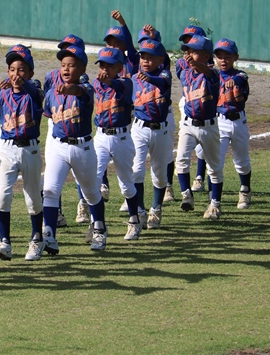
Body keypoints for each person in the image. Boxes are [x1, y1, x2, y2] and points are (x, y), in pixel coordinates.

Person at [43, 45, 107, 251]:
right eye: (63, 65)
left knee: (90, 193)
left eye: (72, 66)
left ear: (82, 69)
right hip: (59, 147)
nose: (66, 69)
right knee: (50, 191)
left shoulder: (87, 88)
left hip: (83, 148)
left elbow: (77, 91)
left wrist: (69, 89)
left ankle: (99, 228)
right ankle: (49, 236)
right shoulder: (52, 92)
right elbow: (48, 116)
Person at [0, 44, 45, 261]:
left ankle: (37, 238)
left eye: (22, 69)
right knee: (3, 196)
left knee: (33, 197)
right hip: (7, 147)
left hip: (30, 148)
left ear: (30, 73)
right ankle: (4, 241)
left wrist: (24, 83)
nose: (16, 74)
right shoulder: (1, 93)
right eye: (12, 69)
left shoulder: (35, 90)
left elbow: (35, 93)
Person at [92, 46, 142, 240]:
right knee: (94, 181)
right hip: (101, 137)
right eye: (102, 65)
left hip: (122, 138)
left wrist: (110, 82)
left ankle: (134, 221)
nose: (105, 69)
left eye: (110, 66)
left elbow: (121, 88)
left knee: (126, 184)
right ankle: (97, 225)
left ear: (120, 67)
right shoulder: (96, 84)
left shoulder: (126, 82)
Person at [174, 35, 224, 220]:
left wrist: (197, 63)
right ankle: (187, 195)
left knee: (214, 167)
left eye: (194, 51)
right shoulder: (184, 71)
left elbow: (208, 72)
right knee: (181, 160)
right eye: (188, 50)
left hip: (209, 126)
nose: (189, 54)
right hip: (188, 123)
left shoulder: (212, 74)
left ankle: (215, 204)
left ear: (205, 55)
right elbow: (176, 62)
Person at [130, 37, 174, 230]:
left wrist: (150, 79)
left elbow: (162, 83)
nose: (146, 61)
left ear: (160, 60)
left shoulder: (165, 75)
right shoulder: (133, 78)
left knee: (159, 174)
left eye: (151, 57)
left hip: (161, 130)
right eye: (143, 57)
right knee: (136, 170)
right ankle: (139, 209)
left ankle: (156, 208)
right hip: (139, 128)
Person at [212, 39, 252, 210]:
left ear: (236, 57)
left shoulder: (240, 75)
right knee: (216, 162)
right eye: (219, 56)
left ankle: (245, 190)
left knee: (241, 161)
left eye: (227, 56)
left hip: (238, 121)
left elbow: (242, 78)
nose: (223, 60)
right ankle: (214, 200)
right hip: (219, 122)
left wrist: (234, 80)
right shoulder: (213, 75)